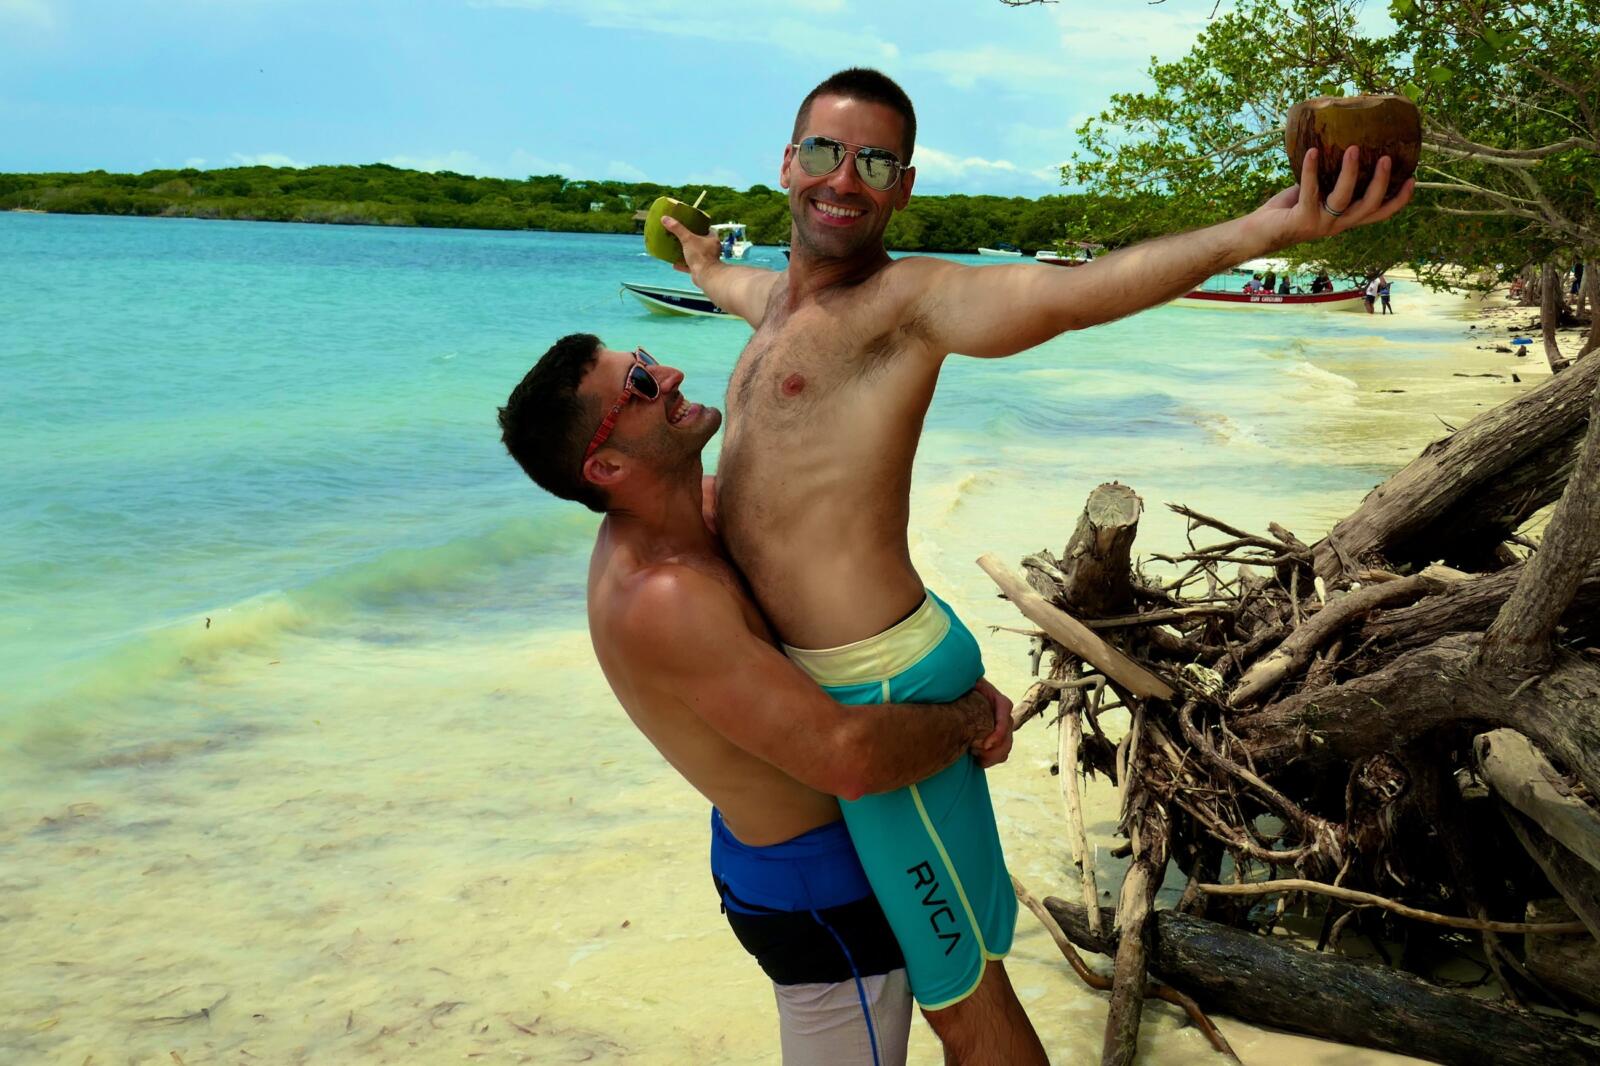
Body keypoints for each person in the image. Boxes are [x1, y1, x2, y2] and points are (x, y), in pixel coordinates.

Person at [660, 66, 1411, 1064]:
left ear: (905, 185)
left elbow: (1068, 296)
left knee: (962, 1004)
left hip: (883, 681)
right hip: (813, 701)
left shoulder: (910, 303)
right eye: (826, 152)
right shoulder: (774, 307)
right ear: (787, 163)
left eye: (874, 160)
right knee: (877, 977)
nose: (845, 178)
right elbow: (736, 284)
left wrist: (1253, 234)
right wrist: (701, 262)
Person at [497, 335, 1017, 1065]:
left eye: (644, 358)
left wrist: (951, 685)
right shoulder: (661, 596)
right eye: (640, 384)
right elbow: (847, 760)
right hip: (818, 893)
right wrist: (963, 720)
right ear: (606, 467)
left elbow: (835, 626)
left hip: (818, 854)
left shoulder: (705, 514)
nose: (669, 373)